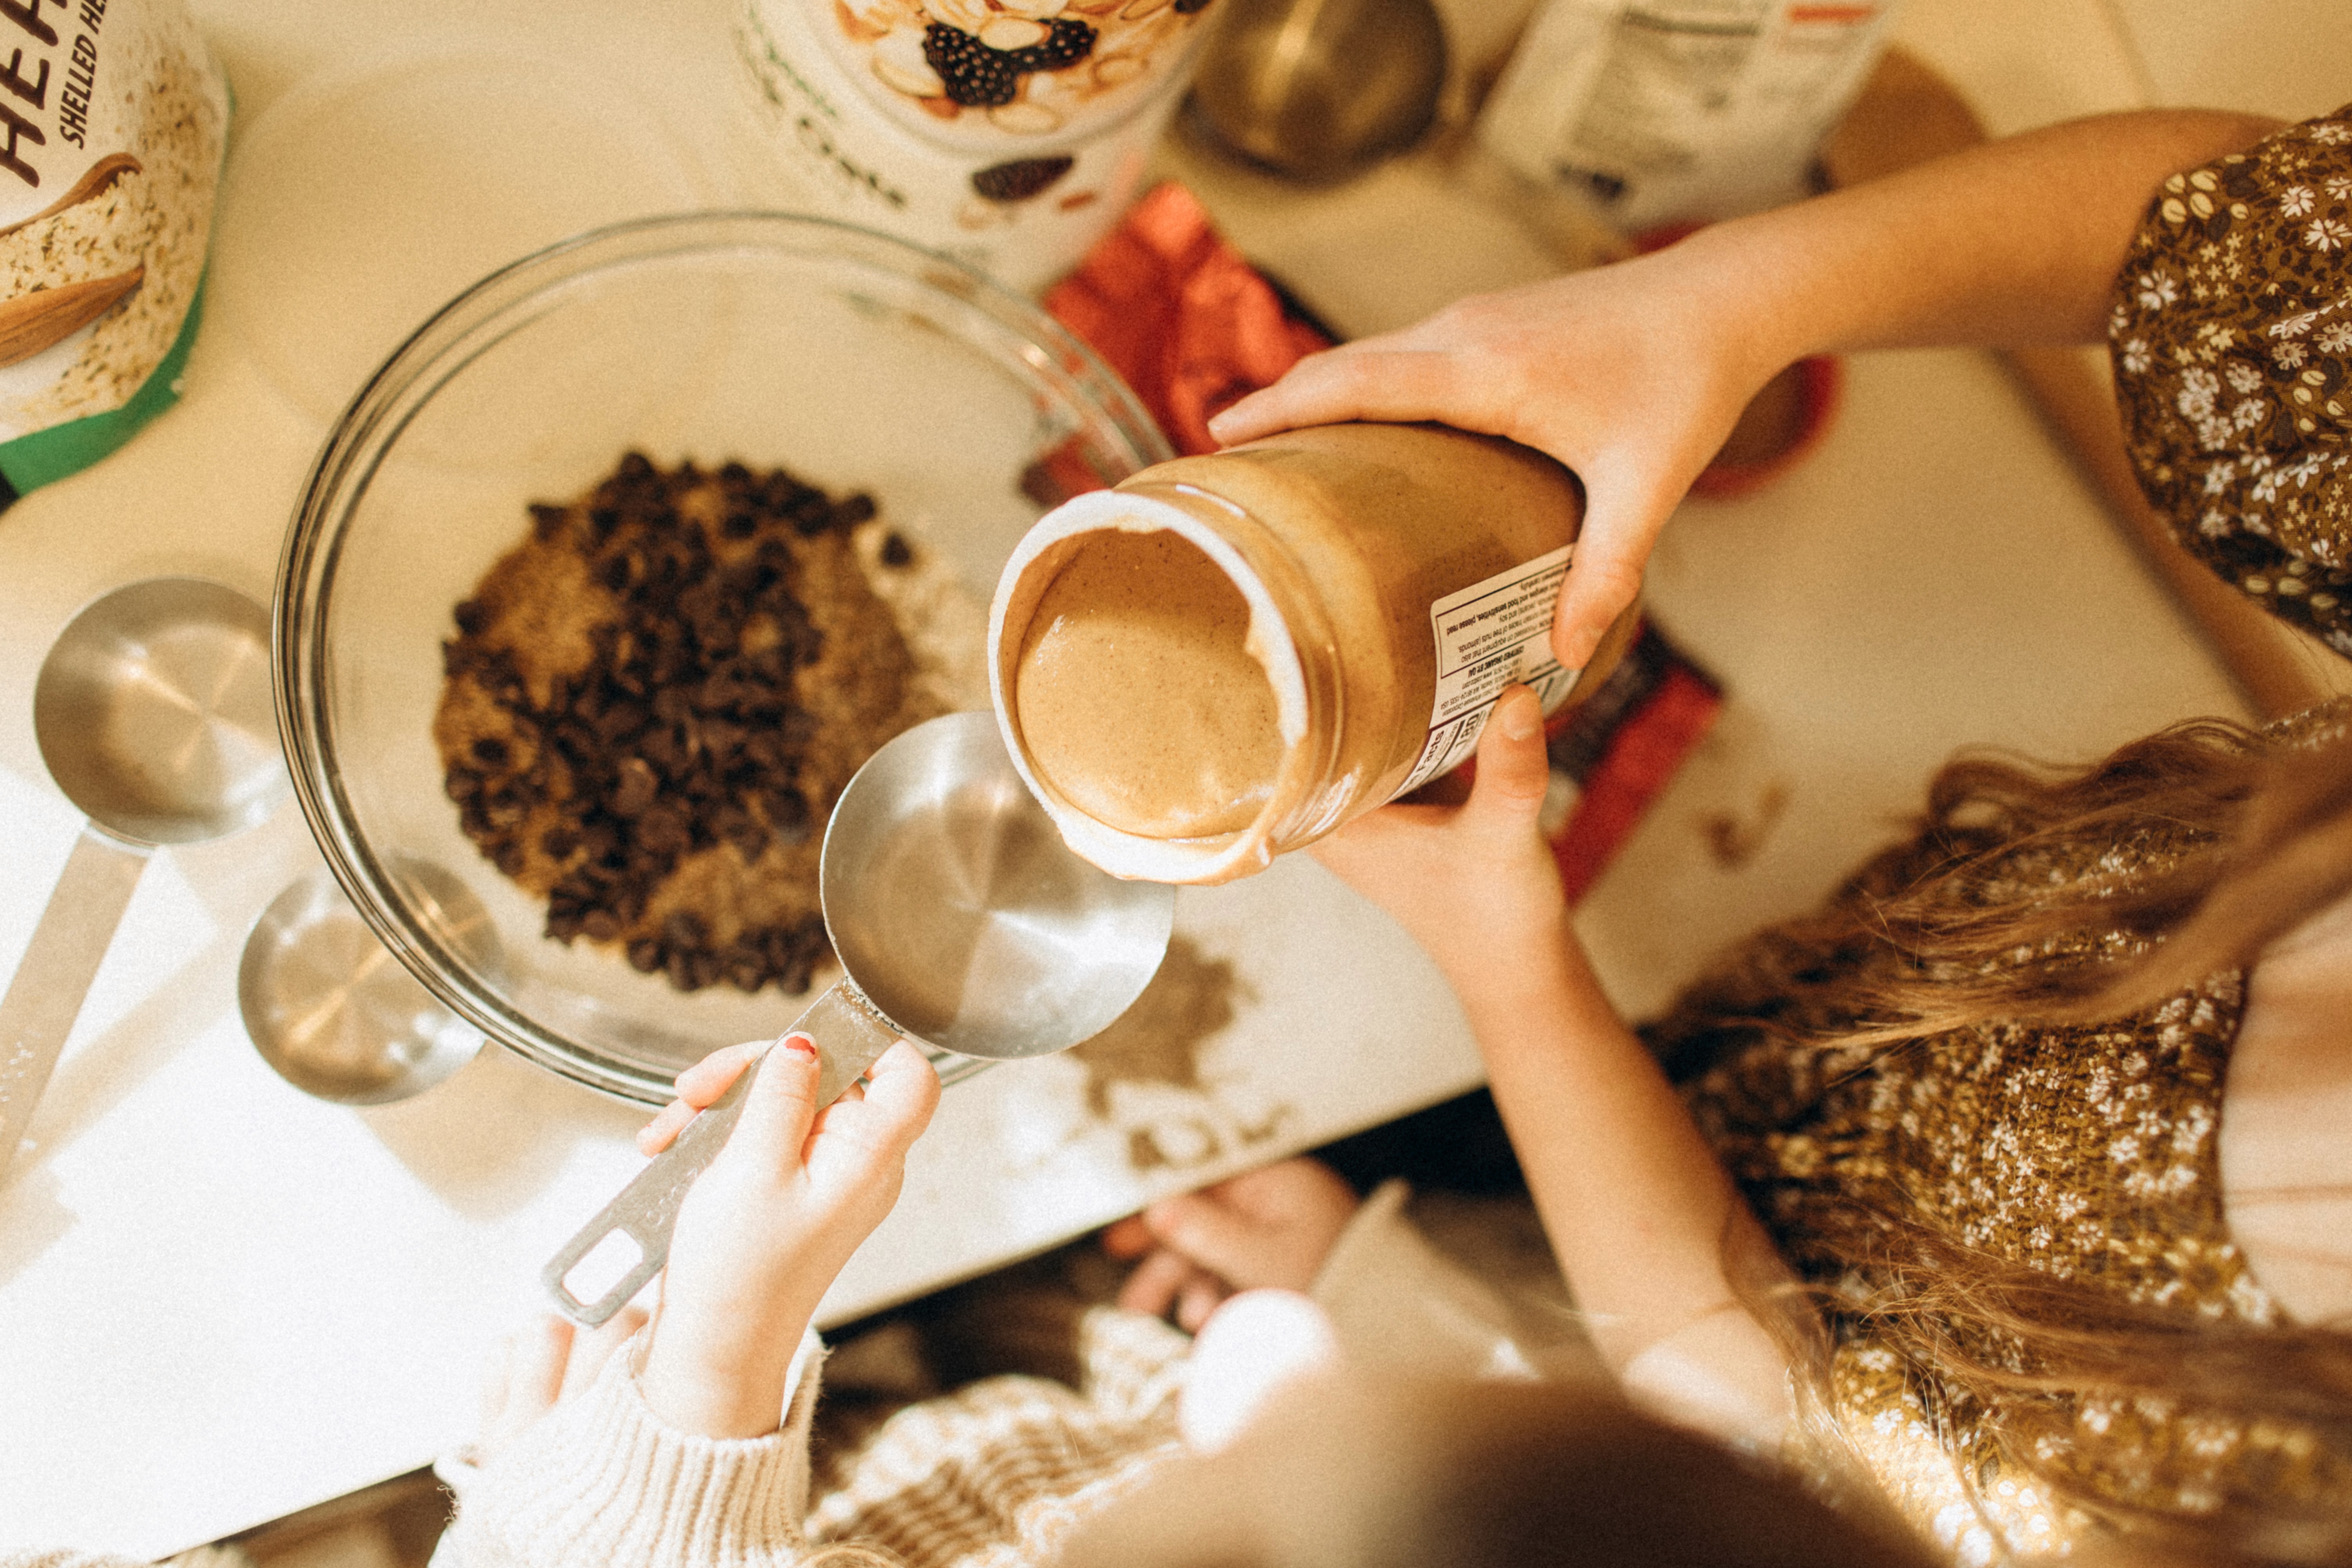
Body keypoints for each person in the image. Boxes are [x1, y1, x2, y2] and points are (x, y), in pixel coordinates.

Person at [1212, 102, 2352, 1566]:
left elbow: (1770, 1427)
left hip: (1626, 1290)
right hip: (1781, 1033)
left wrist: (1507, 977)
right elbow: (2235, 241)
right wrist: (1718, 305)